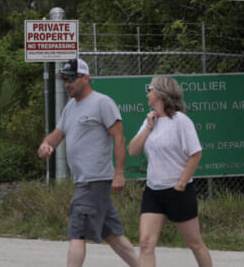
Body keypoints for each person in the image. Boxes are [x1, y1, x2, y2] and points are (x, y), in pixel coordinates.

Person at [37, 58, 138, 267]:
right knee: (113, 236)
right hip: (85, 182)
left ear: (86, 78)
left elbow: (119, 138)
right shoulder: (70, 107)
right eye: (65, 78)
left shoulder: (102, 103)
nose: (67, 83)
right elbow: (58, 134)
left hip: (94, 180)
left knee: (77, 233)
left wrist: (119, 173)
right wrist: (47, 145)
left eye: (71, 78)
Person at [128, 76, 213, 267]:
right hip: (153, 191)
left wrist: (181, 184)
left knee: (195, 243)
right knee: (146, 244)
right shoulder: (150, 120)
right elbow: (133, 150)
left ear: (160, 93)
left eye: (149, 90)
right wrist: (148, 128)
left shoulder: (181, 121)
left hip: (177, 192)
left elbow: (195, 154)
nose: (147, 94)